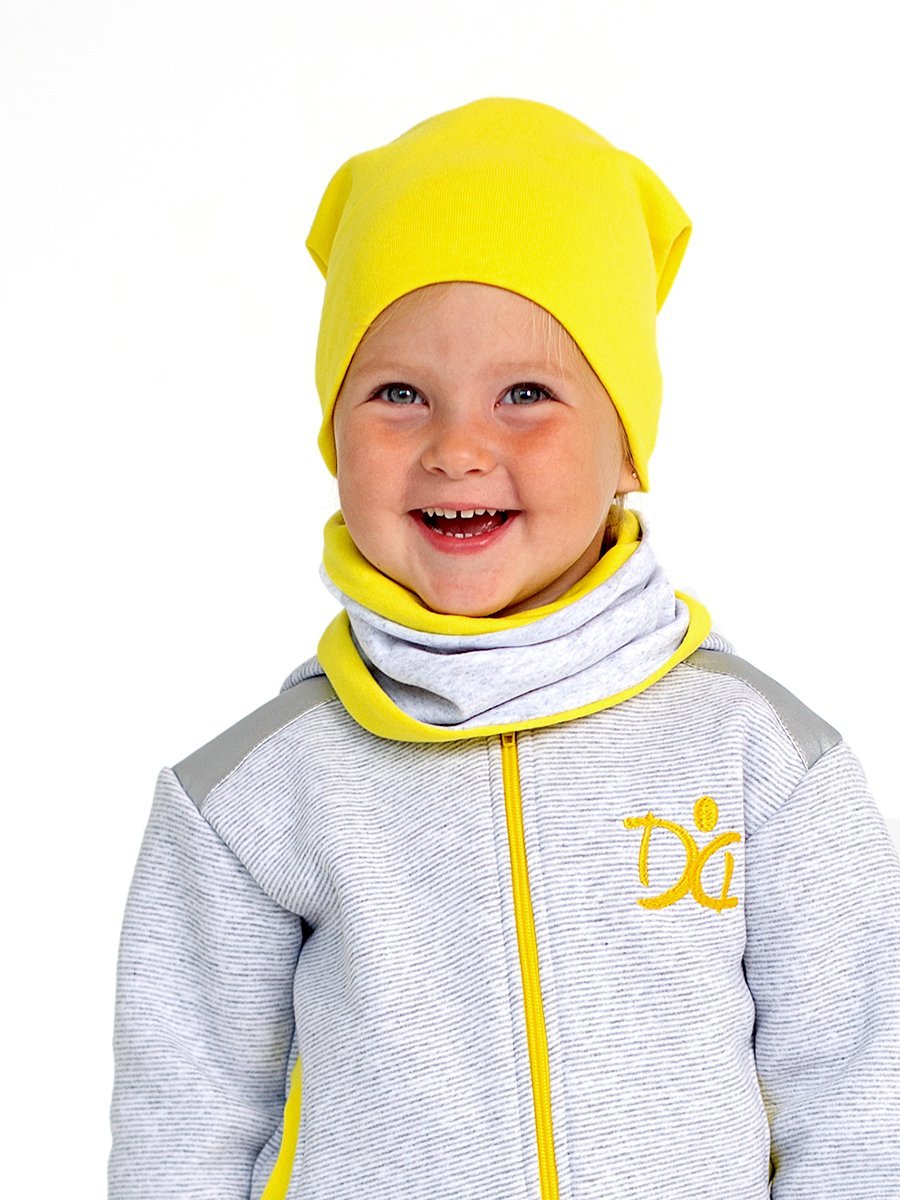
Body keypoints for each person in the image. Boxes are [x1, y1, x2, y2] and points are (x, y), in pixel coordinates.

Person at [108, 96, 900, 1199]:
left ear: (629, 448)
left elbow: (859, 1104)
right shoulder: (249, 797)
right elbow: (182, 1135)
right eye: (397, 394)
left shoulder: (763, 761)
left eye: (527, 394)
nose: (458, 447)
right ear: (332, 435)